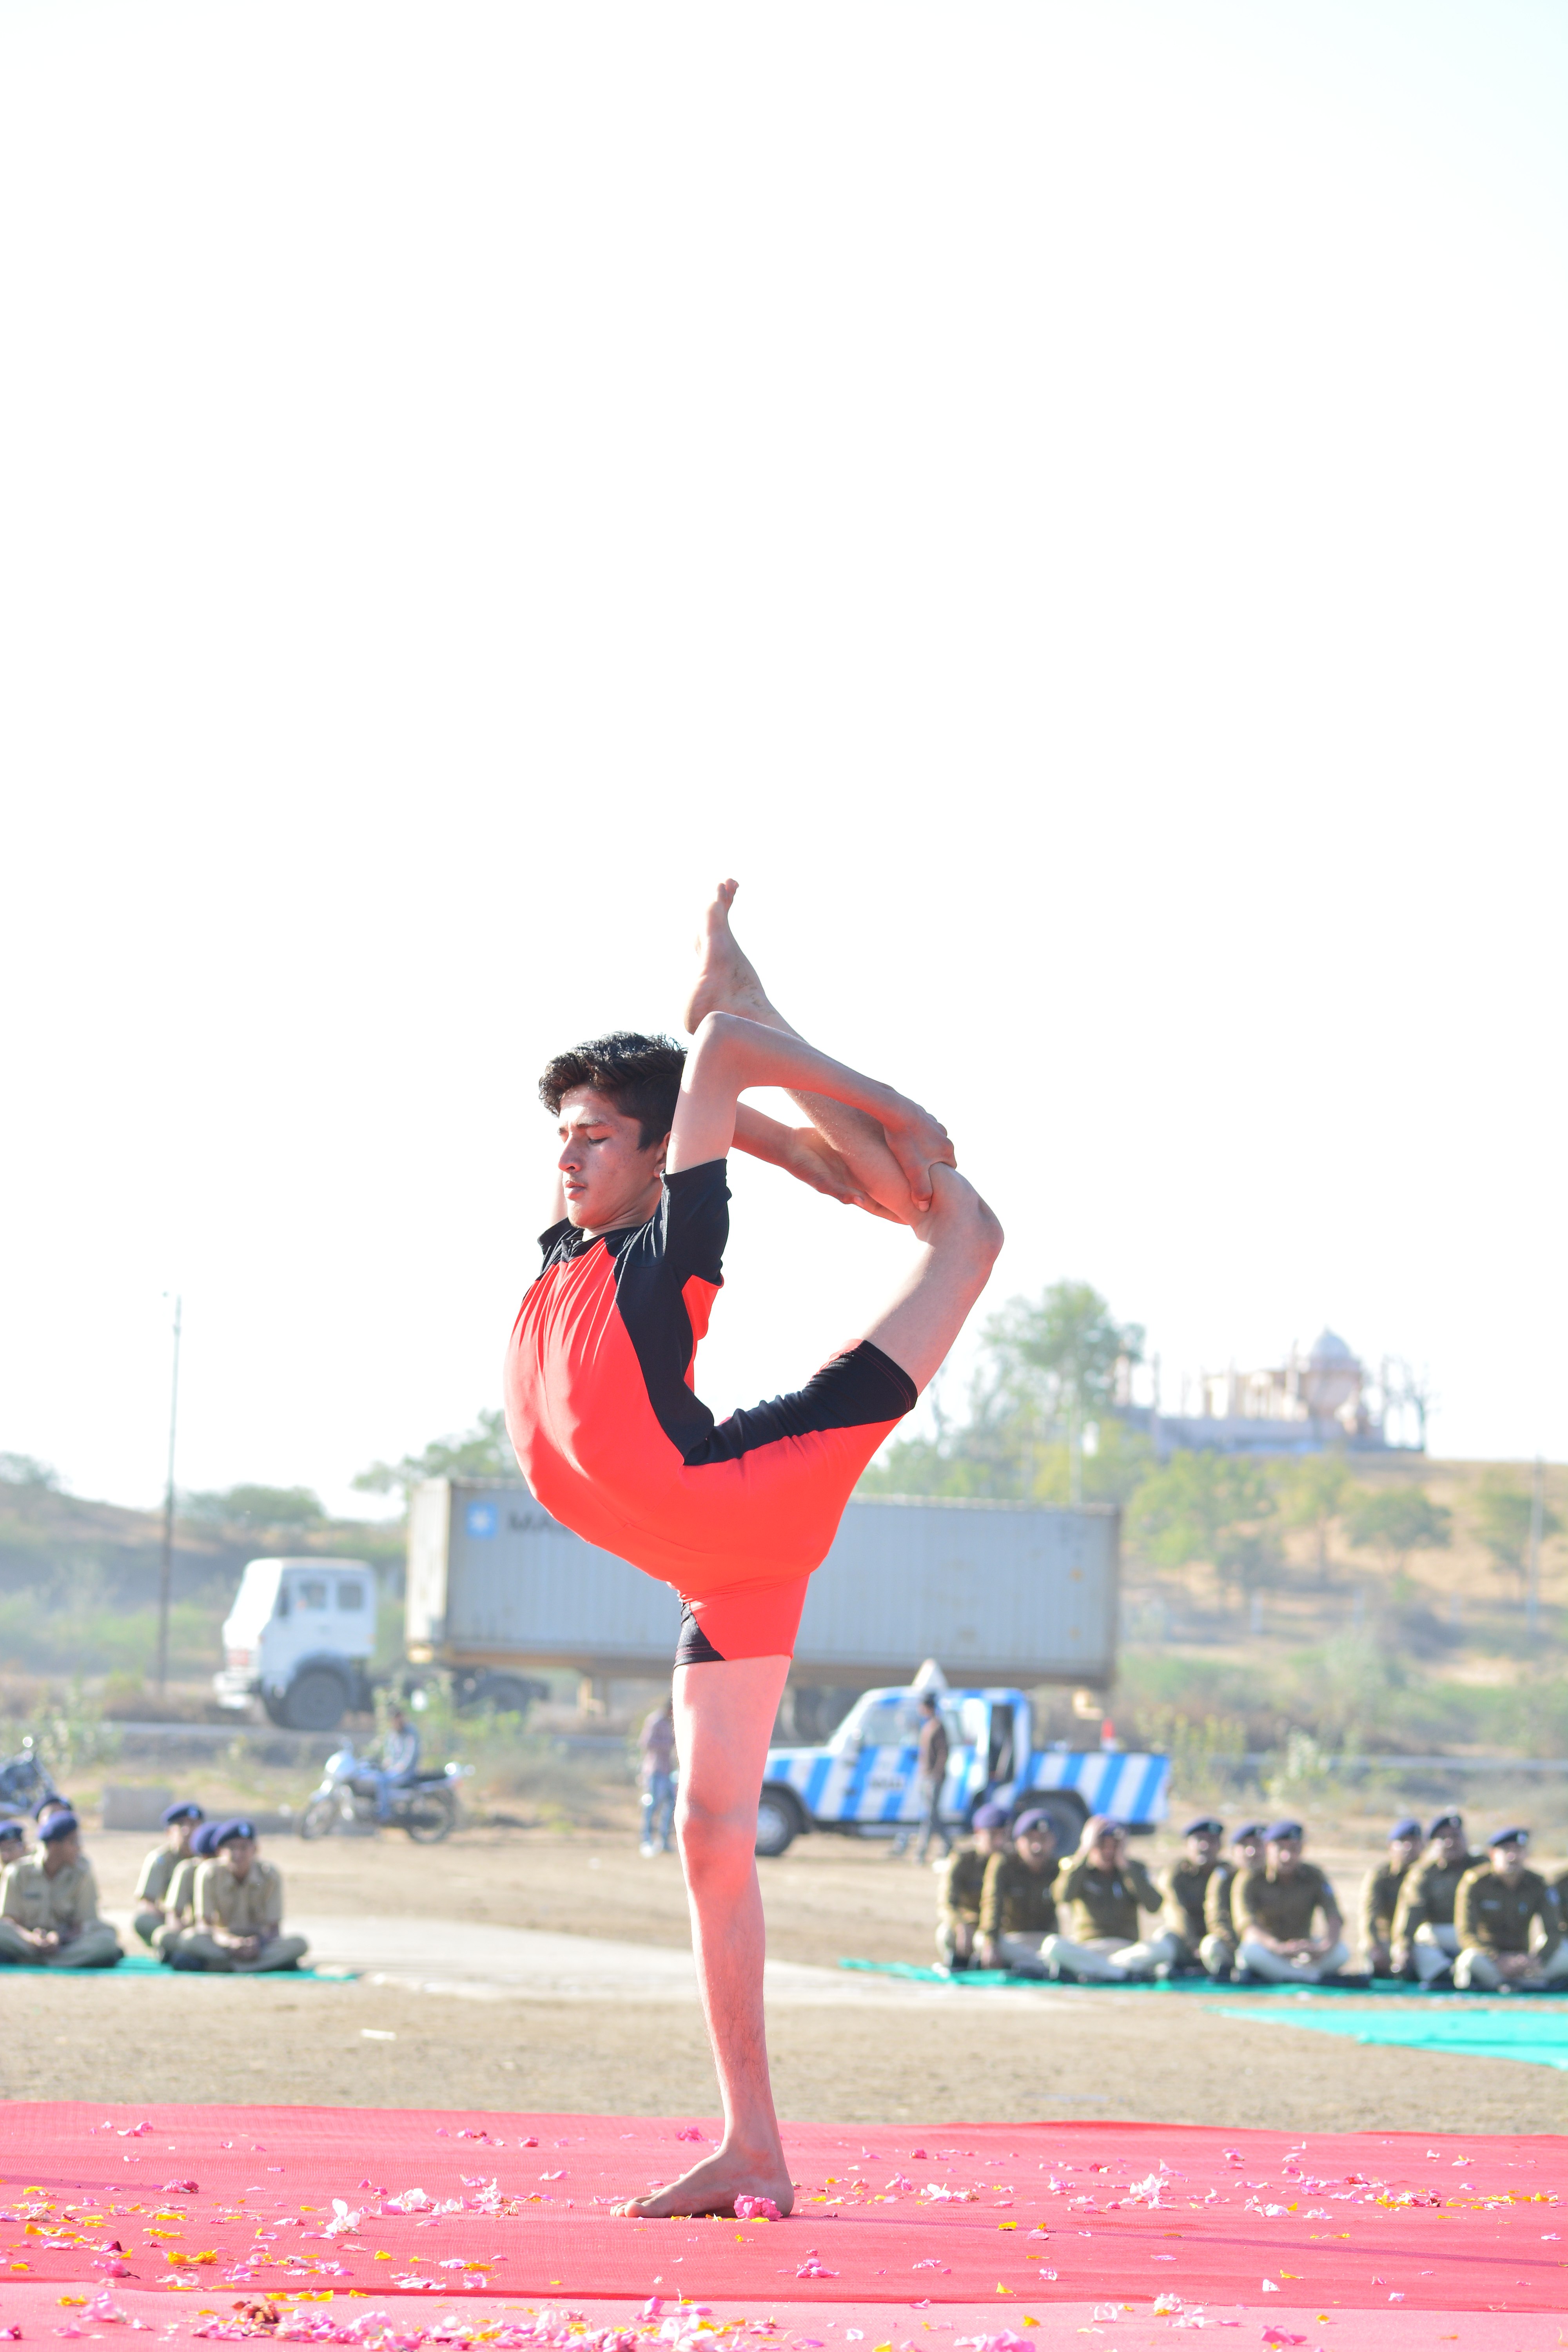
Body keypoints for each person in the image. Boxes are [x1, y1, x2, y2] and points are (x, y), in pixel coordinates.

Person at [503, 881, 1003, 2219]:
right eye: (560, 1136)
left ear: (651, 1159)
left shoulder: (669, 1251)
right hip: (718, 1569)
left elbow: (708, 1078)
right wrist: (786, 1125)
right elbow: (714, 1090)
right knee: (710, 1832)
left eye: (593, 1138)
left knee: (966, 1235)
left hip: (751, 1492)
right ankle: (755, 2147)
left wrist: (870, 1104)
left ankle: (763, 1010)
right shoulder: (573, 1244)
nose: (565, 1159)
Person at [1037, 1814, 1174, 1982]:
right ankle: (1119, 1974)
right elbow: (1062, 1897)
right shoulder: (1079, 1869)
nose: (1108, 1852)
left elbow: (1154, 1906)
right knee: (1052, 1946)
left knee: (1165, 1948)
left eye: (1114, 1846)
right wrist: (1083, 1851)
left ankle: (1101, 1972)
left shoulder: (1133, 1869)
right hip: (1089, 1949)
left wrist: (1125, 1866)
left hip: (1126, 1950)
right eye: (1102, 1845)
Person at [167, 1818, 309, 1973]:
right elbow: (205, 1925)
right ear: (220, 1851)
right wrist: (229, 1942)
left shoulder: (270, 1875)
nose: (238, 1854)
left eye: (244, 1848)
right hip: (221, 1942)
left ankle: (225, 1967)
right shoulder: (209, 1873)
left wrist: (258, 1944)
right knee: (190, 1939)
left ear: (255, 1850)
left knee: (299, 1943)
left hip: (258, 1945)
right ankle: (260, 1966)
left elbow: (274, 1929)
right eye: (232, 1848)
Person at [0, 1810, 122, 1967]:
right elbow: (10, 1920)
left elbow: (82, 1923)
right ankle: (60, 1961)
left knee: (106, 1939)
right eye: (73, 1842)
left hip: (65, 1944)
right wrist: (31, 1939)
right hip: (26, 1942)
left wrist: (59, 1939)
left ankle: (35, 1961)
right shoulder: (18, 1873)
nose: (79, 1848)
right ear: (54, 1845)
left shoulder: (82, 1874)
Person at [1235, 1820, 1352, 1984]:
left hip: (1303, 1951)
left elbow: (1333, 1916)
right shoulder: (1250, 1879)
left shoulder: (1314, 1876)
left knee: (1341, 1951)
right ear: (1268, 1848)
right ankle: (1309, 1977)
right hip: (1268, 1948)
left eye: (1294, 1849)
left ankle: (1289, 1975)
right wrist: (1277, 1947)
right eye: (1281, 1849)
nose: (1287, 1856)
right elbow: (1248, 1925)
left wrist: (1323, 1948)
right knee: (1250, 1952)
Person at [1453, 1828, 1568, 1991]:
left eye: (1518, 1850)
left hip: (1526, 1963)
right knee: (1469, 1961)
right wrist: (1497, 1958)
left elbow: (1554, 1930)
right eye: (1506, 1850)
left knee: (1565, 1955)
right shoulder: (1475, 1883)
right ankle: (1514, 1985)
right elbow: (1466, 1933)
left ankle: (1523, 1983)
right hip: (1491, 1960)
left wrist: (1537, 1959)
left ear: (1526, 1854)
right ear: (1493, 1854)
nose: (1513, 1857)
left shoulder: (1538, 1884)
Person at [1391, 1812, 1481, 1988]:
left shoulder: (1482, 1868)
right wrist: (1402, 1948)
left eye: (1456, 1836)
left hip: (1478, 1934)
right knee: (1418, 1941)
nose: (1451, 1842)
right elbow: (1411, 1912)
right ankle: (1443, 1975)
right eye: (1443, 1838)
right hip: (1441, 1934)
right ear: (1432, 1844)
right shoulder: (1424, 1874)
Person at [977, 1810, 1061, 1974]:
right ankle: (1044, 1967)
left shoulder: (1058, 1868)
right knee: (981, 1941)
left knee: (1058, 1948)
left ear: (1054, 1842)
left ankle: (1037, 1966)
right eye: (1031, 1839)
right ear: (1018, 1842)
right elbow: (992, 1903)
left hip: (1045, 1942)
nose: (1037, 1847)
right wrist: (990, 1942)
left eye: (1043, 1840)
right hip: (1013, 1940)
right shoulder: (1003, 1864)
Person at [938, 1801, 1011, 1969]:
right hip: (970, 1928)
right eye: (993, 1836)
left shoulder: (1012, 1863)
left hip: (1000, 1931)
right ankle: (959, 1963)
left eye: (1004, 1836)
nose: (999, 1842)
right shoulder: (963, 1861)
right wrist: (960, 1925)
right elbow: (946, 1903)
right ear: (978, 1834)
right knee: (945, 1934)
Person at [133, 1800, 205, 1949]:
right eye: (181, 1826)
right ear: (169, 1832)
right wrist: (174, 1921)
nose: (188, 1831)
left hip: (203, 1925)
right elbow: (147, 1903)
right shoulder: (160, 1859)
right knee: (143, 1920)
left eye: (194, 1825)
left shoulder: (209, 1861)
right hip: (169, 1921)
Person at [1358, 1815, 1422, 1977]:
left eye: (1414, 1842)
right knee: (1367, 1949)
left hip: (1419, 1941)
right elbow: (1368, 1915)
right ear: (1390, 1847)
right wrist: (1375, 1946)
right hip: (1387, 1940)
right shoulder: (1379, 1876)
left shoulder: (1428, 1876)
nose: (1408, 1847)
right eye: (1402, 1842)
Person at [1158, 1817, 1224, 1972]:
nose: (1205, 1846)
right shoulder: (1175, 1874)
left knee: (1213, 1946)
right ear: (1186, 1845)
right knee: (1164, 1937)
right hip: (1186, 1941)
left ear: (1221, 1846)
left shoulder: (1226, 1874)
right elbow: (1176, 1913)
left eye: (1212, 1841)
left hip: (1217, 1942)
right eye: (1199, 1840)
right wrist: (1193, 1944)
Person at [1200, 1820, 1263, 1980]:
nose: (1252, 1852)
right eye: (1245, 1846)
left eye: (1258, 1845)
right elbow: (1217, 1920)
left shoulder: (1273, 1878)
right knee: (1212, 1945)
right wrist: (1237, 1949)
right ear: (1233, 1851)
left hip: (1267, 1947)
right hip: (1234, 1946)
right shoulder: (1224, 1877)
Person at [893, 1693, 952, 1861]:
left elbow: (943, 1753)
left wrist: (937, 1774)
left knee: (929, 1815)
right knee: (933, 1815)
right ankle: (948, 1845)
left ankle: (922, 1851)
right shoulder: (927, 1727)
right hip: (925, 1776)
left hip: (933, 1778)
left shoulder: (938, 1727)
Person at [639, 1698, 678, 1857]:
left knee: (671, 1805)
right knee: (654, 1804)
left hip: (669, 1770)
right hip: (656, 1769)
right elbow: (646, 1742)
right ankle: (647, 1839)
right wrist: (667, 1744)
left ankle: (664, 1841)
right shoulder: (655, 1721)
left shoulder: (672, 1722)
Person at [372, 1708, 421, 1824]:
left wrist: (400, 1767)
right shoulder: (392, 1734)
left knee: (382, 1782)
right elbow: (389, 1755)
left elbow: (411, 1754)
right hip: (393, 1770)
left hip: (406, 1772)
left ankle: (385, 1814)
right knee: (376, 1777)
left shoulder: (411, 1733)